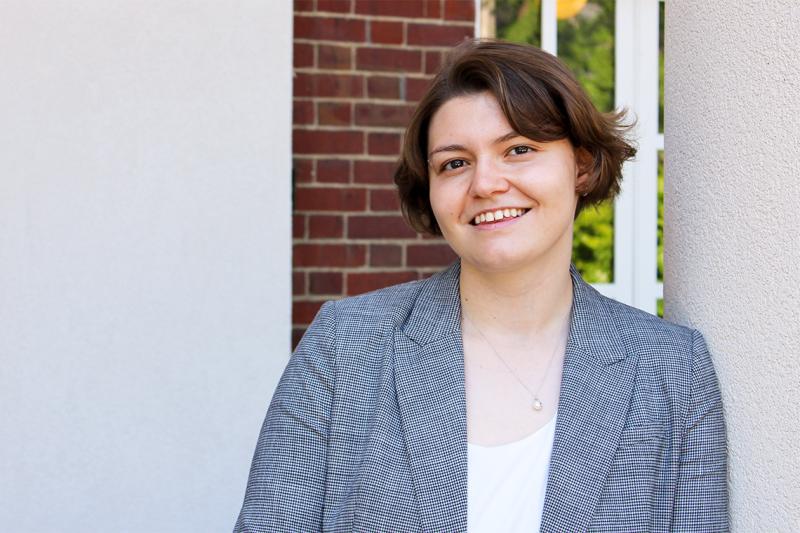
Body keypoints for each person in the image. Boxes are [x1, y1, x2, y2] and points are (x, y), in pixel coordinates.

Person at [234, 40, 728, 533]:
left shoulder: (671, 369)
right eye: (454, 163)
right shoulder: (346, 346)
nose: (486, 183)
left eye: (518, 150)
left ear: (580, 164)